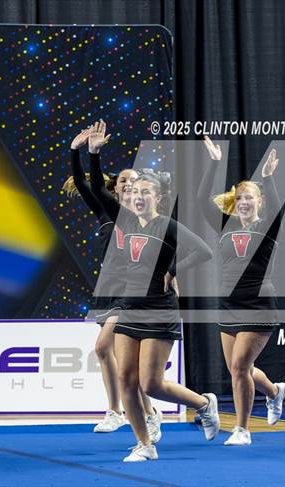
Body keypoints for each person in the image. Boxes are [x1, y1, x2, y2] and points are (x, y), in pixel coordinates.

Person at [89, 120, 219, 461]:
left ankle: (204, 404)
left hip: (159, 309)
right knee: (126, 379)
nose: (138, 196)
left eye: (145, 192)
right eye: (134, 192)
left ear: (158, 197)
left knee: (151, 383)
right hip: (128, 308)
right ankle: (145, 444)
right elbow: (98, 190)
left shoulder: (167, 225)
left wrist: (173, 270)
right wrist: (94, 155)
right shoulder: (125, 220)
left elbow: (203, 251)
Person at [64, 126, 162, 440]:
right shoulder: (107, 213)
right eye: (124, 182)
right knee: (116, 356)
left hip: (132, 294)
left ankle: (129, 412)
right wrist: (78, 151)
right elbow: (85, 183)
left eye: (135, 182)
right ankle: (135, 413)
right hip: (108, 291)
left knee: (103, 347)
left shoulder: (145, 219)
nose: (130, 186)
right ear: (115, 189)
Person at [198, 137, 285, 446]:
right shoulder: (226, 225)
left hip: (258, 306)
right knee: (240, 369)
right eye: (239, 197)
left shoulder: (267, 227)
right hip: (228, 305)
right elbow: (202, 201)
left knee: (239, 368)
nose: (244, 201)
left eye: (249, 197)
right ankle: (274, 392)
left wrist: (269, 178)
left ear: (259, 201)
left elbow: (277, 209)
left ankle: (242, 429)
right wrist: (214, 163)